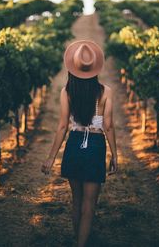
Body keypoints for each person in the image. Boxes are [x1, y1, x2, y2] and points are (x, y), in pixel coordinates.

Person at [41, 39, 118, 247]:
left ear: (73, 67)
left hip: (74, 145)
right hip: (95, 146)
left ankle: (78, 240)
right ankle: (82, 244)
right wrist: (115, 155)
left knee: (76, 201)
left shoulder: (67, 92)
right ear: (95, 68)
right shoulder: (105, 92)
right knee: (89, 204)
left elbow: (62, 126)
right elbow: (108, 126)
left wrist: (51, 158)